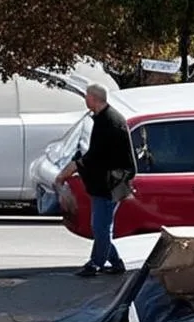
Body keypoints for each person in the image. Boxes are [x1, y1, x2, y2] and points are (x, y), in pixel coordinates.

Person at [54, 83, 135, 278]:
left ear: (93, 98)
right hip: (108, 180)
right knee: (100, 226)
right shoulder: (105, 118)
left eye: (86, 97)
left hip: (111, 182)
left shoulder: (109, 122)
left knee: (101, 226)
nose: (85, 100)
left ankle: (96, 263)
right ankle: (115, 262)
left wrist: (68, 171)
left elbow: (95, 156)